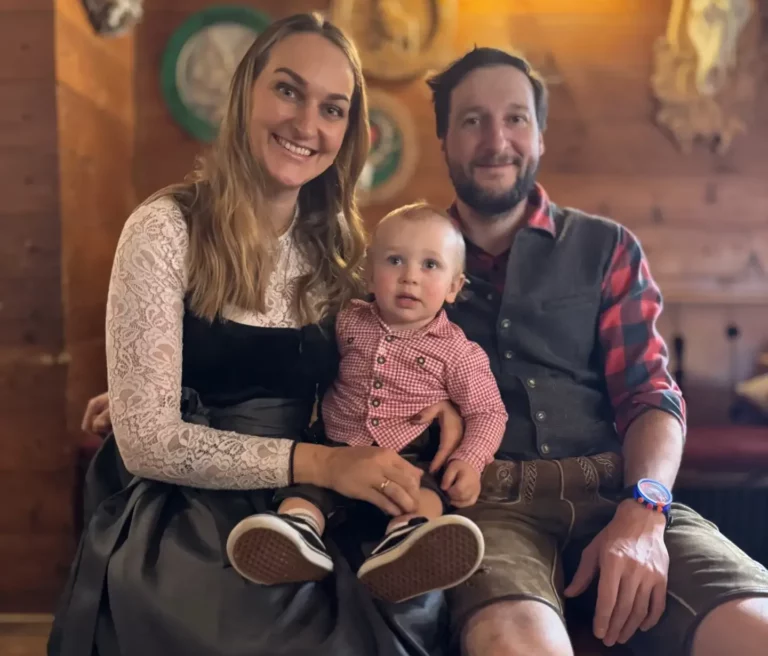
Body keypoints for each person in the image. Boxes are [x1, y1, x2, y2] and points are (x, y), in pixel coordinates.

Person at [49, 13, 465, 656]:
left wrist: (438, 399)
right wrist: (148, 404)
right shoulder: (165, 228)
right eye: (288, 90)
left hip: (311, 496)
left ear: (347, 132)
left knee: (412, 603)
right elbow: (148, 443)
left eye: (332, 109)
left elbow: (373, 358)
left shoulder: (339, 251)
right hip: (185, 509)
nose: (306, 124)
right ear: (246, 92)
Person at [423, 48, 768, 656]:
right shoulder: (408, 261)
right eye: (473, 120)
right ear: (445, 139)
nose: (496, 140)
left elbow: (649, 395)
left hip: (619, 494)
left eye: (515, 118)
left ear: (539, 136)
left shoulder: (608, 248)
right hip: (487, 509)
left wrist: (645, 510)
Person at [226, 203, 508, 603]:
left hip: (409, 457)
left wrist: (470, 460)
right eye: (395, 260)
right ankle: (298, 534)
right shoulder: (347, 320)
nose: (410, 276)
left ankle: (406, 545)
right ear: (370, 274)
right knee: (305, 492)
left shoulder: (459, 353)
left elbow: (488, 411)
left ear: (453, 286)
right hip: (337, 447)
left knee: (426, 495)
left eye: (430, 265)